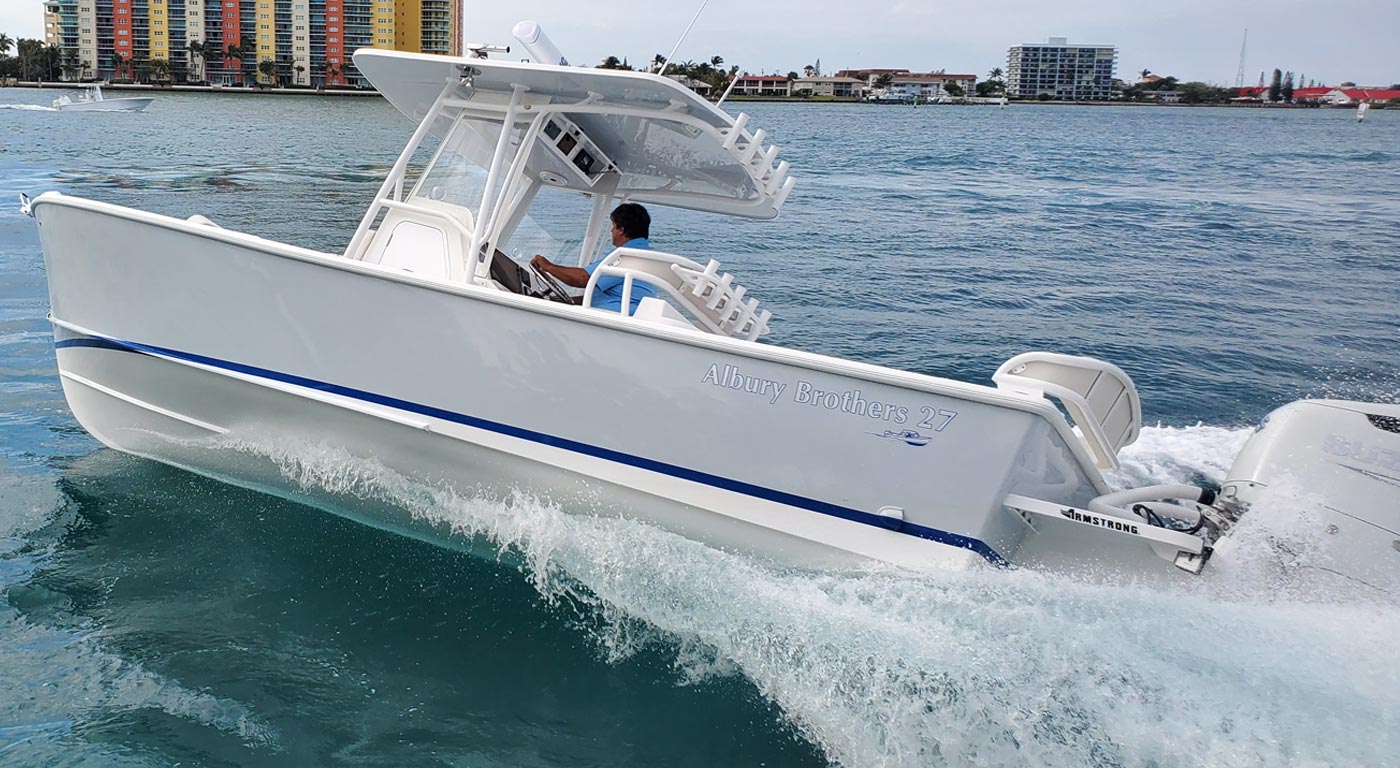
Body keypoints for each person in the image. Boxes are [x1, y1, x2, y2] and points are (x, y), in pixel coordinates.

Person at [530, 203, 658, 315]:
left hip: (611, 319)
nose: (611, 231)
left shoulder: (628, 255)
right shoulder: (643, 254)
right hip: (615, 315)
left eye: (613, 226)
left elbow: (582, 279)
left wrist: (548, 267)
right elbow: (601, 296)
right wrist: (566, 301)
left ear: (621, 230)